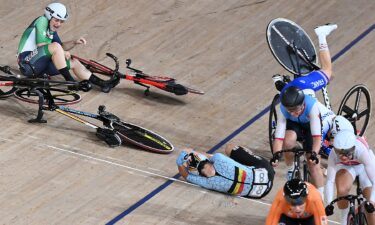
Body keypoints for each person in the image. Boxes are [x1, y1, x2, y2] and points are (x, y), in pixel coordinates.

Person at [16, 2, 119, 93]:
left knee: (74, 62)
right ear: (49, 16)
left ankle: (103, 84)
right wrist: (61, 51)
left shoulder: (51, 30)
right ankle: (70, 81)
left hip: (40, 66)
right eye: (56, 20)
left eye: (61, 21)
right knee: (56, 47)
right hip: (26, 63)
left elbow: (60, 47)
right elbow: (41, 45)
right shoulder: (42, 20)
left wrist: (74, 42)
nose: (58, 24)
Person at [176, 144, 275, 199]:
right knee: (230, 148)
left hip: (260, 193)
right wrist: (190, 152)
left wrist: (179, 163)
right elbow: (203, 155)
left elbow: (186, 176)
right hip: (267, 171)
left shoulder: (209, 183)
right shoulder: (219, 158)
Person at [325, 130, 375, 224]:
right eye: (339, 152)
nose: (343, 157)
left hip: (363, 166)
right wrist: (329, 203)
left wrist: (372, 201)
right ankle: (344, 219)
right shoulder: (333, 154)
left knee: (371, 209)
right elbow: (330, 181)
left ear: (353, 148)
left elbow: (374, 180)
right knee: (342, 190)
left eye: (346, 153)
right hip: (346, 167)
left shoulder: (361, 151)